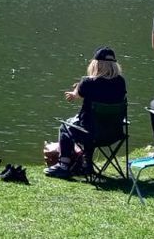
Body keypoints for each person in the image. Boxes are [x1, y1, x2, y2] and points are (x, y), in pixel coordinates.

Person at [44, 46, 127, 179]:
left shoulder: (88, 82)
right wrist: (81, 86)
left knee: (66, 126)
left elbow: (78, 94)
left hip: (91, 133)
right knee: (92, 124)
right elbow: (100, 87)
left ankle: (63, 165)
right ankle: (86, 164)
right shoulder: (121, 82)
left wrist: (75, 91)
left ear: (96, 64)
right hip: (114, 133)